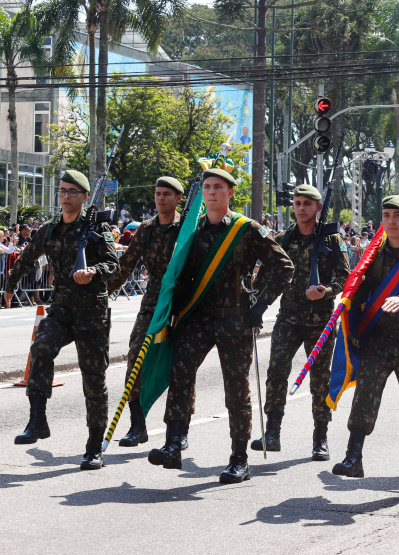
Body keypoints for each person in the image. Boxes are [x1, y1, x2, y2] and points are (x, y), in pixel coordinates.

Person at [147, 168, 293, 484]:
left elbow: (284, 268)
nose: (211, 192)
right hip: (197, 317)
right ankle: (173, 443)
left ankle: (239, 459)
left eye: (217, 187)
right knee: (180, 373)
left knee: (236, 388)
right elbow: (178, 274)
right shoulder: (192, 230)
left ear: (230, 193)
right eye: (207, 187)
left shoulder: (248, 230)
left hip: (235, 320)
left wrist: (260, 305)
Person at [5, 170, 120, 469]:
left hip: (92, 312)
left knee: (94, 380)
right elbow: (27, 258)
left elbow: (113, 263)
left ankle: (94, 447)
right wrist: (9, 285)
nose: (65, 196)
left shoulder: (96, 228)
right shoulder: (49, 229)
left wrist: (93, 271)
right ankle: (37, 421)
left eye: (71, 191)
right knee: (41, 348)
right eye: (62, 191)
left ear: (84, 197)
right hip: (62, 309)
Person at [331, 195, 399, 500]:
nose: (391, 221)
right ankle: (354, 457)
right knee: (365, 394)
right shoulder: (373, 253)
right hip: (380, 339)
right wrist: (346, 300)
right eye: (386, 215)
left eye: (397, 216)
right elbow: (360, 285)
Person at [250, 184, 350, 459]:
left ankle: (320, 437)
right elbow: (267, 274)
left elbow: (346, 277)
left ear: (318, 207)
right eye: (297, 203)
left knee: (319, 378)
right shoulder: (283, 239)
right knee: (277, 370)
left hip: (322, 319)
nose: (301, 207)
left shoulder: (332, 240)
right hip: (289, 317)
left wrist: (326, 291)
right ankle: (272, 432)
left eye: (307, 203)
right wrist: (254, 304)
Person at [107, 177, 186, 448]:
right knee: (136, 358)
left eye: (167, 194)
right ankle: (137, 425)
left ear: (178, 198)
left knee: (182, 364)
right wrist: (101, 291)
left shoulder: (188, 228)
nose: (160, 198)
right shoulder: (146, 229)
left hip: (183, 302)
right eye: (157, 194)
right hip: (152, 301)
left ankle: (179, 429)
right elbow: (126, 264)